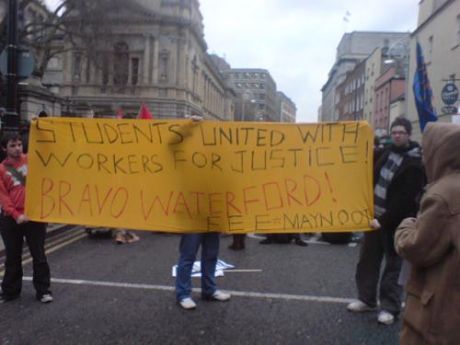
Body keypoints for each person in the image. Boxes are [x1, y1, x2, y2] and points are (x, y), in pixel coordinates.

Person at [347, 117, 425, 325]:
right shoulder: (386, 152)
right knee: (367, 261)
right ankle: (366, 299)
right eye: (395, 132)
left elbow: (406, 199)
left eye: (401, 132)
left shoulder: (415, 163)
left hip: (394, 223)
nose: (397, 135)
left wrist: (384, 219)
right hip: (373, 219)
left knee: (393, 266)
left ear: (409, 135)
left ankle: (390, 308)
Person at [395, 122, 460, 344]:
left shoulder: (443, 194)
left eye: (426, 150)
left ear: (439, 152)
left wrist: (405, 226)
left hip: (439, 302)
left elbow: (417, 247)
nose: (424, 158)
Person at [0, 132, 53, 303]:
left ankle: (43, 290)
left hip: (34, 216)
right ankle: (10, 291)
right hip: (11, 219)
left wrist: (40, 126)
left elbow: (50, 150)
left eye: (19, 145)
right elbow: (4, 197)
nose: (17, 149)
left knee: (39, 255)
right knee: (12, 256)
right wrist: (16, 215)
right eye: (12, 146)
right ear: (4, 148)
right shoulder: (1, 169)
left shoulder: (32, 159)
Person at [175, 232, 231, 310]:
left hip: (212, 222)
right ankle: (183, 294)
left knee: (211, 255)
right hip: (192, 222)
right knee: (188, 256)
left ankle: (209, 289)